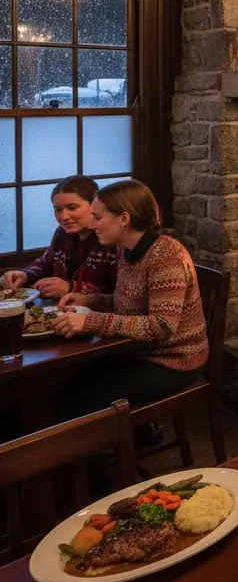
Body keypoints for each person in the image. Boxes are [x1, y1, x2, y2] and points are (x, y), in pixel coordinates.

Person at [51, 179, 208, 420]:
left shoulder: (165, 255)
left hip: (173, 360)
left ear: (124, 219)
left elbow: (162, 326)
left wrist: (91, 320)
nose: (93, 225)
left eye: (98, 217)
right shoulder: (125, 249)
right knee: (61, 384)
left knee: (76, 403)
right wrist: (88, 300)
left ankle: (110, 453)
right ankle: (122, 442)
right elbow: (125, 302)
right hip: (139, 352)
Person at [2, 175, 118, 299]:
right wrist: (24, 275)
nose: (64, 217)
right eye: (58, 209)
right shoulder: (62, 233)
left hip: (92, 314)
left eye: (72, 208)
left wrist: (71, 288)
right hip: (59, 309)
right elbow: (45, 265)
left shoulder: (111, 238)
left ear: (94, 205)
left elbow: (118, 295)